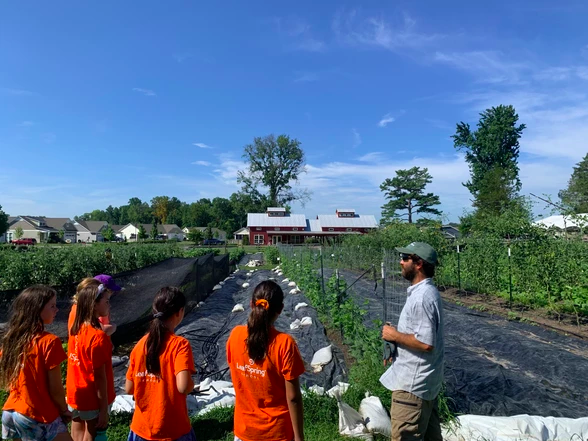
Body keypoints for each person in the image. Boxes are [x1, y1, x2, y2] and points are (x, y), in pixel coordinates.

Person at [380, 242, 445, 441]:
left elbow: (426, 343)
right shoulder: (425, 293)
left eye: (405, 258)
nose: (401, 262)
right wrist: (397, 349)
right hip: (424, 384)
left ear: (418, 264)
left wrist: (393, 335)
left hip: (412, 389)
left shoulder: (422, 297)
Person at [226, 280, 305, 441]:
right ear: (280, 310)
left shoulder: (235, 335)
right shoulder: (285, 344)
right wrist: (299, 437)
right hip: (276, 432)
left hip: (244, 431)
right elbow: (294, 398)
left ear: (251, 304)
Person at [0, 285, 73, 441]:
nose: (57, 309)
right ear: (37, 310)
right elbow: (56, 389)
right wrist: (64, 410)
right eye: (52, 305)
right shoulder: (49, 342)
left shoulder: (12, 340)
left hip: (11, 412)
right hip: (36, 413)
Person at [125, 287, 197, 441]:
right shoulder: (180, 345)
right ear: (180, 312)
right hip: (172, 429)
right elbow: (183, 386)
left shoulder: (140, 345)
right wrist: (191, 384)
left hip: (141, 429)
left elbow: (129, 388)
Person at [67, 278, 116, 441]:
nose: (109, 305)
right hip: (92, 397)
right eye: (107, 301)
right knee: (92, 432)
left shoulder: (76, 328)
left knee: (78, 426)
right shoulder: (98, 337)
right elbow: (100, 377)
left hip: (75, 391)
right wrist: (103, 410)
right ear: (94, 305)